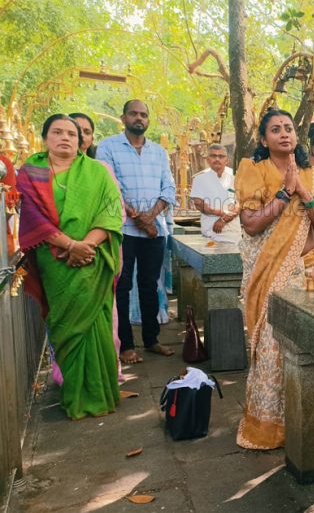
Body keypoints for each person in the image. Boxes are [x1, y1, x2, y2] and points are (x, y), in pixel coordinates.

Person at [235, 109, 314, 449]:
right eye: (275, 129)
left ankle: (304, 424)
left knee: (306, 346)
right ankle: (267, 429)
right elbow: (250, 224)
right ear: (264, 139)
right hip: (268, 274)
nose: (283, 134)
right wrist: (283, 194)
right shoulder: (253, 169)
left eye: (289, 128)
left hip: (306, 273)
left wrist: (304, 193)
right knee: (270, 348)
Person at [17, 114, 123, 419]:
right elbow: (33, 218)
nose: (65, 138)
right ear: (45, 137)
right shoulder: (32, 172)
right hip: (57, 261)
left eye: (72, 134)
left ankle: (101, 396)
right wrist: (69, 245)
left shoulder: (97, 172)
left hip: (93, 259)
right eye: (57, 132)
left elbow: (111, 212)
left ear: (81, 142)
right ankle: (77, 397)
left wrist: (86, 244)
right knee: (67, 328)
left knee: (97, 327)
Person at [97, 100, 177, 364]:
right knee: (122, 285)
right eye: (134, 113)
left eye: (144, 114)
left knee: (149, 284)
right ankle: (126, 345)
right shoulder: (108, 147)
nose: (139, 118)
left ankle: (152, 340)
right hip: (122, 229)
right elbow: (110, 187)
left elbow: (169, 188)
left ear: (148, 121)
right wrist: (139, 219)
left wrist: (151, 217)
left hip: (155, 230)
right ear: (123, 118)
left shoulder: (159, 152)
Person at [190, 143, 241, 243]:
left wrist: (223, 219)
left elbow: (240, 204)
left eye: (221, 156)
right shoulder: (200, 179)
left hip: (233, 234)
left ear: (227, 160)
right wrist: (222, 213)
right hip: (211, 233)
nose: (217, 159)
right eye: (213, 156)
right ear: (208, 160)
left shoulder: (235, 179)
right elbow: (199, 205)